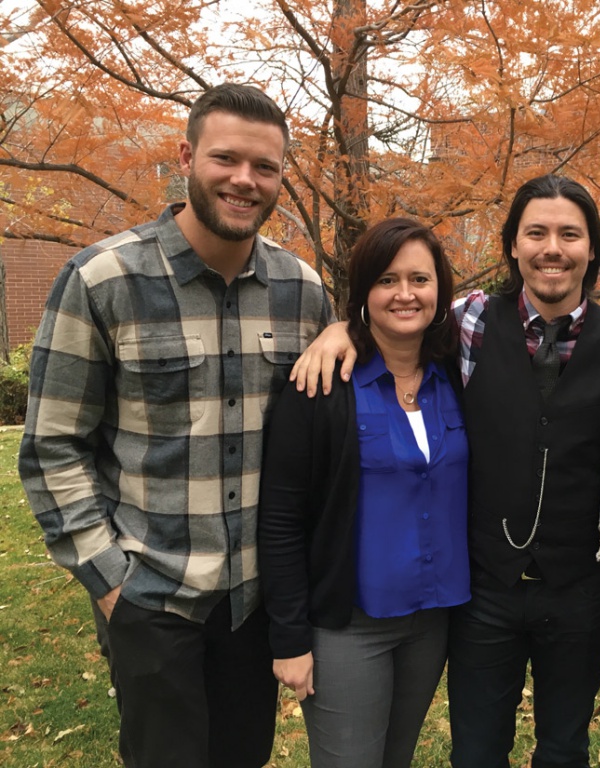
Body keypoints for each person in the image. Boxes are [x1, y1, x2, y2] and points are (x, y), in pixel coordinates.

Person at [290, 175, 600, 768]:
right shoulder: (468, 322)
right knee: (475, 751)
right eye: (537, 233)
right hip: (484, 589)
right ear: (514, 247)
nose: (553, 247)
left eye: (570, 234)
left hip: (581, 588)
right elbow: (398, 316)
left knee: (564, 748)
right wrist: (339, 330)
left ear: (593, 250)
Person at [18, 83, 334, 768]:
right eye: (226, 159)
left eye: (266, 167)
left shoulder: (304, 291)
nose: (245, 180)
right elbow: (51, 447)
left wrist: (351, 336)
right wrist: (110, 584)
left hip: (255, 605)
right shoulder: (102, 279)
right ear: (186, 155)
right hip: (150, 598)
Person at [258, 217, 470, 768]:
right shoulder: (321, 386)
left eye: (420, 279)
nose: (405, 294)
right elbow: (281, 516)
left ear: (440, 291)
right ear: (363, 293)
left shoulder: (458, 377)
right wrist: (289, 638)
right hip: (347, 626)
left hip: (432, 619)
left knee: (395, 758)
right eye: (386, 280)